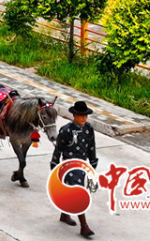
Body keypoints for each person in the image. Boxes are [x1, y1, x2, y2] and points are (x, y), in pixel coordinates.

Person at [50, 101, 98, 239]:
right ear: (74, 115)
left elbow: (91, 147)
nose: (83, 118)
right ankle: (84, 226)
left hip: (82, 165)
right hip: (69, 167)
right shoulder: (66, 131)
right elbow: (58, 149)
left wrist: (93, 163)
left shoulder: (88, 128)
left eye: (85, 116)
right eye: (80, 116)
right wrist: (54, 165)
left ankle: (65, 214)